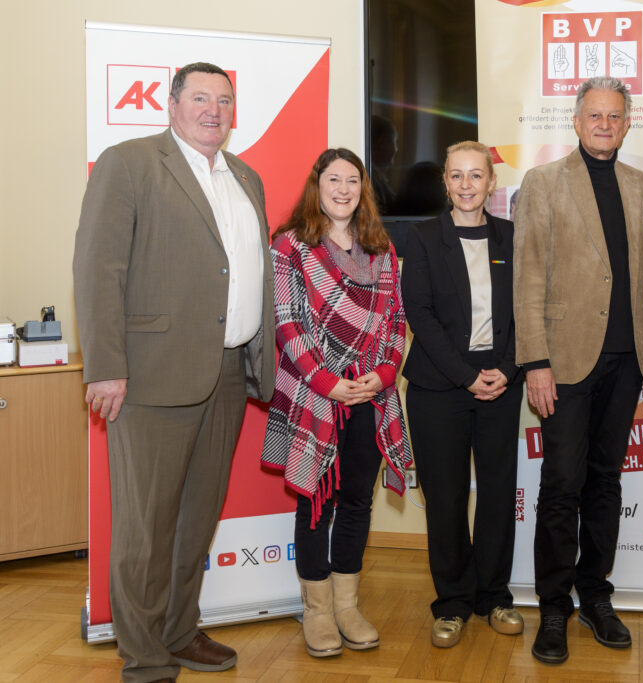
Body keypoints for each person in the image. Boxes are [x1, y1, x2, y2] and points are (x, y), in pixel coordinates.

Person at [73, 62, 276, 682]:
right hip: (151, 376)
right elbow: (97, 268)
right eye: (200, 98)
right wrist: (106, 367)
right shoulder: (129, 163)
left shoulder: (246, 176)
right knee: (145, 527)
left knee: (196, 520)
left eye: (224, 100)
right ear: (171, 103)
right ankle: (144, 656)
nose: (213, 110)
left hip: (227, 375)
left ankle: (181, 631)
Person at [513, 76, 643, 664]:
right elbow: (527, 277)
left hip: (628, 361)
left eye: (615, 116)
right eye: (594, 116)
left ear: (628, 124)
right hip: (566, 361)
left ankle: (596, 593)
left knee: (606, 482)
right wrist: (535, 361)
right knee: (561, 485)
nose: (604, 124)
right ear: (576, 122)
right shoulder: (543, 183)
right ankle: (554, 605)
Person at [260, 148, 412, 658]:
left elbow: (394, 322)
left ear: (362, 188)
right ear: (317, 185)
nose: (343, 189)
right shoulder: (291, 246)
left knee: (356, 500)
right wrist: (328, 380)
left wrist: (384, 373)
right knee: (315, 502)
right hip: (317, 395)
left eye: (353, 180)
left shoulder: (381, 247)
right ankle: (318, 612)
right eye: (333, 179)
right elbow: (287, 322)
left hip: (371, 393)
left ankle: (347, 606)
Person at [402, 140, 524, 648]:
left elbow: (529, 308)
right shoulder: (424, 237)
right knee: (447, 498)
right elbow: (420, 315)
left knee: (497, 494)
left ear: (492, 183)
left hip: (502, 381)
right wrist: (466, 376)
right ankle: (451, 603)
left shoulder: (514, 237)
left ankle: (493, 595)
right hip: (439, 387)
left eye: (477, 175)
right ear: (446, 182)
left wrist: (507, 367)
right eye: (457, 175)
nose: (467, 185)